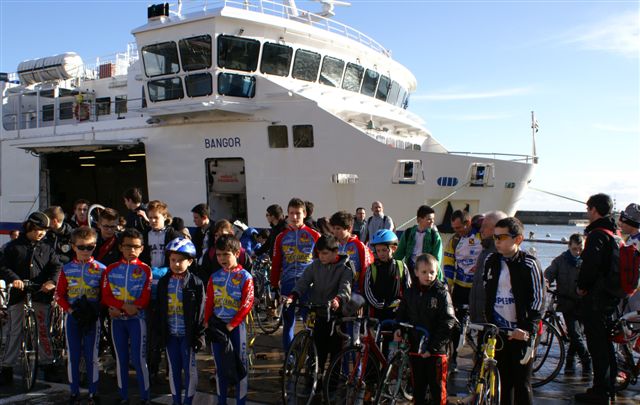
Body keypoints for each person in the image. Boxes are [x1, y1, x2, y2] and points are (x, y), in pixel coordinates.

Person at [483, 217, 544, 405]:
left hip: (521, 333)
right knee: (502, 384)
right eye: (495, 237)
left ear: (518, 239)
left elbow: (539, 300)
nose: (497, 242)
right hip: (500, 331)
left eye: (502, 237)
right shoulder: (491, 260)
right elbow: (486, 293)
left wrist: (526, 329)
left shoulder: (529, 264)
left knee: (522, 384)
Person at [0, 212, 62, 385]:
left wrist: (51, 281)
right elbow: (3, 266)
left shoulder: (47, 248)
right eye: (38, 229)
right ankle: (7, 367)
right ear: (29, 227)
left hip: (40, 293)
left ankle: (47, 363)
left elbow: (56, 266)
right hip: (19, 294)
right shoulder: (13, 247)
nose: (41, 233)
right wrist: (14, 279)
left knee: (43, 329)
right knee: (14, 330)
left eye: (44, 230)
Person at [284, 234, 352, 374]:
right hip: (317, 311)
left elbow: (345, 289)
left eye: (325, 253)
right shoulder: (315, 265)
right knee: (316, 349)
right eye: (319, 253)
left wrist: (337, 300)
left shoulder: (346, 268)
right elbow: (303, 282)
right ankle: (314, 379)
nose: (321, 256)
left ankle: (331, 386)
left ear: (335, 252)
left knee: (335, 351)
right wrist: (293, 296)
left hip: (335, 315)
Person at [575, 193, 620, 404]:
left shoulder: (597, 235)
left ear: (594, 209)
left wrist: (582, 287)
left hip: (596, 299)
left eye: (588, 209)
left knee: (597, 345)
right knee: (606, 344)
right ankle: (609, 386)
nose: (587, 212)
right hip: (610, 298)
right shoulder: (614, 233)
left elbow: (591, 265)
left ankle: (600, 390)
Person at [394, 254, 456, 405]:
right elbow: (402, 314)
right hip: (416, 348)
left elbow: (448, 322)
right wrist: (398, 329)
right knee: (418, 388)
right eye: (424, 272)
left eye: (432, 272)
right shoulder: (410, 292)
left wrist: (432, 347)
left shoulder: (441, 293)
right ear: (415, 272)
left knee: (437, 389)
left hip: (436, 351)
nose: (428, 276)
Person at [101, 228, 152, 404]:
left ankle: (145, 397)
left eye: (135, 246)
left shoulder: (145, 270)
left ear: (141, 249)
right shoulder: (111, 269)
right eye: (127, 246)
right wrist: (122, 307)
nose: (131, 250)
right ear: (121, 247)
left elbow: (144, 298)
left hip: (137, 321)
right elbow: (106, 295)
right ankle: (124, 396)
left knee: (139, 360)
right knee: (121, 360)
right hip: (117, 320)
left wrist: (129, 308)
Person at [55, 226, 105, 405]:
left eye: (90, 247)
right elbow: (59, 295)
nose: (85, 251)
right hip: (73, 317)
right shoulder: (66, 268)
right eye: (81, 247)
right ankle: (74, 391)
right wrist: (70, 310)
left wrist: (96, 309)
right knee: (74, 355)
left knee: (91, 356)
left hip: (92, 318)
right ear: (73, 246)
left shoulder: (101, 269)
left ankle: (93, 392)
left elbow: (106, 296)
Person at [154, 238, 205, 405]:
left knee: (189, 371)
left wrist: (199, 336)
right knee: (174, 370)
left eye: (180, 260)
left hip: (187, 335)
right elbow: (159, 309)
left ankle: (188, 401)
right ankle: (176, 401)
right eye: (172, 260)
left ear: (190, 261)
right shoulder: (163, 282)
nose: (176, 264)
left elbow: (201, 312)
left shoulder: (196, 283)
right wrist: (160, 333)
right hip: (170, 334)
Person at [204, 235, 254, 405]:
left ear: (237, 253)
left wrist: (232, 324)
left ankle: (241, 402)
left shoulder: (245, 276)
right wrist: (206, 321)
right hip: (217, 325)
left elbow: (247, 303)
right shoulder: (214, 277)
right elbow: (209, 301)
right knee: (220, 367)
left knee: (240, 367)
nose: (222, 259)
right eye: (218, 255)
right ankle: (221, 401)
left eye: (226, 254)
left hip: (236, 327)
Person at [270, 198, 321, 351]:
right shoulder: (281, 237)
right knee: (288, 323)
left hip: (309, 285)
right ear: (287, 215)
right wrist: (273, 286)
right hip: (288, 284)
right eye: (291, 213)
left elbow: (321, 262)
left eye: (298, 213)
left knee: (310, 324)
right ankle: (289, 358)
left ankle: (312, 358)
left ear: (304, 214)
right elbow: (276, 263)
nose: (294, 217)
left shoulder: (315, 235)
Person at [544, 233, 592, 375]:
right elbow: (549, 273)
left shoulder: (587, 261)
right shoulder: (560, 261)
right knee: (575, 333)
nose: (578, 252)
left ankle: (570, 361)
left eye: (580, 249)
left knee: (577, 335)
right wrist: (546, 281)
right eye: (575, 249)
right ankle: (586, 361)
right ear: (569, 246)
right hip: (567, 302)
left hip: (584, 303)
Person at [443, 209, 482, 370]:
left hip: (478, 288)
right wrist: (449, 286)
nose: (456, 231)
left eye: (459, 228)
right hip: (460, 287)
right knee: (455, 325)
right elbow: (448, 263)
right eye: (454, 228)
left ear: (468, 223)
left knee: (480, 326)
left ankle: (478, 362)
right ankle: (453, 358)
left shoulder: (481, 237)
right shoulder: (454, 240)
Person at [363, 229, 411, 322]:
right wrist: (380, 305)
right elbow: (367, 291)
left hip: (397, 312)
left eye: (384, 250)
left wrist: (402, 304)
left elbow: (408, 289)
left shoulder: (401, 266)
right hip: (377, 313)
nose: (381, 254)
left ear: (393, 249)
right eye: (378, 250)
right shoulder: (372, 268)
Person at [469, 210, 507, 324]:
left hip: (493, 320)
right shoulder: (485, 250)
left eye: (484, 226)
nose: (480, 230)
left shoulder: (500, 254)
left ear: (496, 229)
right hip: (480, 318)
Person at [330, 210, 373, 294]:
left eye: (338, 228)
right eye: (334, 228)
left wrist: (362, 291)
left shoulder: (359, 246)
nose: (335, 231)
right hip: (335, 291)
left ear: (349, 228)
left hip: (355, 290)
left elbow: (366, 268)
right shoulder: (331, 245)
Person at [394, 205, 443, 278]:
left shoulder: (434, 236)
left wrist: (435, 276)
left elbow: (437, 259)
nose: (432, 221)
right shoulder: (408, 233)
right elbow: (399, 254)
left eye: (433, 219)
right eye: (429, 219)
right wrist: (391, 265)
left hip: (427, 273)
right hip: (410, 272)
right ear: (419, 219)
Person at [618, 203, 640, 312]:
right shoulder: (627, 240)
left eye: (624, 222)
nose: (621, 224)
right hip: (627, 287)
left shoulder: (637, 242)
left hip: (636, 290)